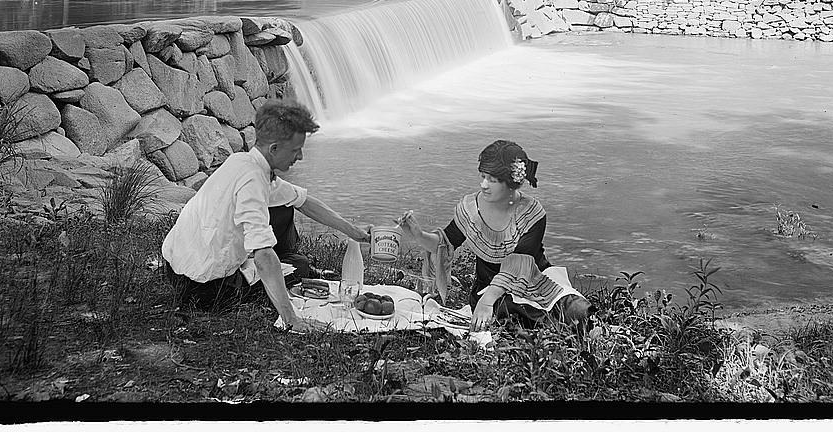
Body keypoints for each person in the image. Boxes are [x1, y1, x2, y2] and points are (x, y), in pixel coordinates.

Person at [161, 100, 370, 330]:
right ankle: (278, 276)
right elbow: (262, 256)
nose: (300, 156)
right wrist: (292, 319)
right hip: (203, 287)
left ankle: (283, 262)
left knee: (287, 207)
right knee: (298, 266)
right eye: (295, 150)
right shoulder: (253, 181)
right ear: (274, 149)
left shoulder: (243, 161)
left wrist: (352, 231)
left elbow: (303, 201)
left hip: (174, 267)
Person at [398, 140, 592, 332]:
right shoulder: (471, 209)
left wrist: (487, 301)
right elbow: (445, 243)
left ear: (510, 183)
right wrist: (418, 235)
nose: (483, 185)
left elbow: (519, 265)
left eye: (492, 180)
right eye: (483, 176)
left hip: (535, 282)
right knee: (511, 314)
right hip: (489, 291)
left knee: (579, 311)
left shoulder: (532, 213)